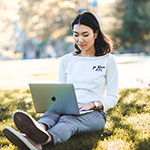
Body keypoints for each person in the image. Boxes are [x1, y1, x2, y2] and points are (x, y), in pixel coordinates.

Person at [3, 11, 118, 150]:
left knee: (68, 121)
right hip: (67, 107)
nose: (80, 40)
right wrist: (59, 103)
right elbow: (61, 92)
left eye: (85, 35)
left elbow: (113, 97)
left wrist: (92, 104)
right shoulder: (66, 60)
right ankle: (37, 129)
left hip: (95, 114)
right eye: (76, 35)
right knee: (51, 114)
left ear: (96, 33)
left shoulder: (108, 60)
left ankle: (40, 142)